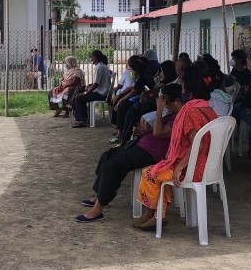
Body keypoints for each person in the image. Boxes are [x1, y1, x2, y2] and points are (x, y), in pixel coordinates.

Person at [75, 83, 183, 223]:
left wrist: (159, 109)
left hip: (151, 153)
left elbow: (159, 132)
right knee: (108, 156)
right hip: (142, 145)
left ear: (177, 101)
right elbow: (155, 132)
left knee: (113, 166)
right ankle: (101, 196)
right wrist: (143, 132)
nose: (166, 106)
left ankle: (97, 210)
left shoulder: (179, 118)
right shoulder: (171, 114)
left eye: (166, 102)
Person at [133, 66, 219, 230]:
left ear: (188, 89)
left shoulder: (191, 112)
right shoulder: (207, 108)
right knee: (158, 172)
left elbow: (197, 144)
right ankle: (157, 214)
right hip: (207, 165)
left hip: (191, 167)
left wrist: (179, 167)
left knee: (150, 173)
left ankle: (150, 214)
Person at [111, 58, 155, 143]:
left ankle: (122, 133)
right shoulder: (141, 77)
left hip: (145, 102)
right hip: (141, 99)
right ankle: (120, 130)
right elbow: (131, 88)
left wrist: (120, 100)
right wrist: (119, 96)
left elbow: (132, 93)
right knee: (121, 101)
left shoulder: (142, 79)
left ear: (136, 71)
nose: (130, 72)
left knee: (122, 104)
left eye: (131, 70)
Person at [72, 51, 111, 128]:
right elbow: (98, 82)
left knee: (79, 98)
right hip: (104, 93)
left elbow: (96, 84)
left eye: (92, 57)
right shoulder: (102, 66)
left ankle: (81, 120)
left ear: (95, 58)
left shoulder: (99, 68)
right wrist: (90, 85)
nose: (91, 58)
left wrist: (86, 93)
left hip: (101, 94)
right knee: (79, 96)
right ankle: (83, 118)